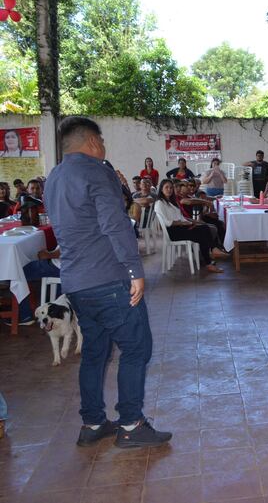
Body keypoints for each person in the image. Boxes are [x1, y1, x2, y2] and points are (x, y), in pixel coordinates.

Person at [45, 116, 171, 448]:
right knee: (136, 348)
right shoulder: (96, 171)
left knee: (95, 353)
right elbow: (116, 225)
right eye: (102, 141)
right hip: (110, 279)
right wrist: (135, 271)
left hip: (75, 282)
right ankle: (131, 424)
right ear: (91, 142)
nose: (104, 147)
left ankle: (92, 423)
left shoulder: (54, 177)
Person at [155, 179, 224, 273]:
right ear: (161, 189)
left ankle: (210, 260)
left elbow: (181, 217)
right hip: (173, 232)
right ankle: (212, 253)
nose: (169, 190)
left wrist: (191, 223)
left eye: (171, 187)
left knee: (204, 228)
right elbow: (167, 222)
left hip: (180, 227)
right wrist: (182, 223)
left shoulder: (172, 202)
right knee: (203, 231)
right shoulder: (160, 203)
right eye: (166, 187)